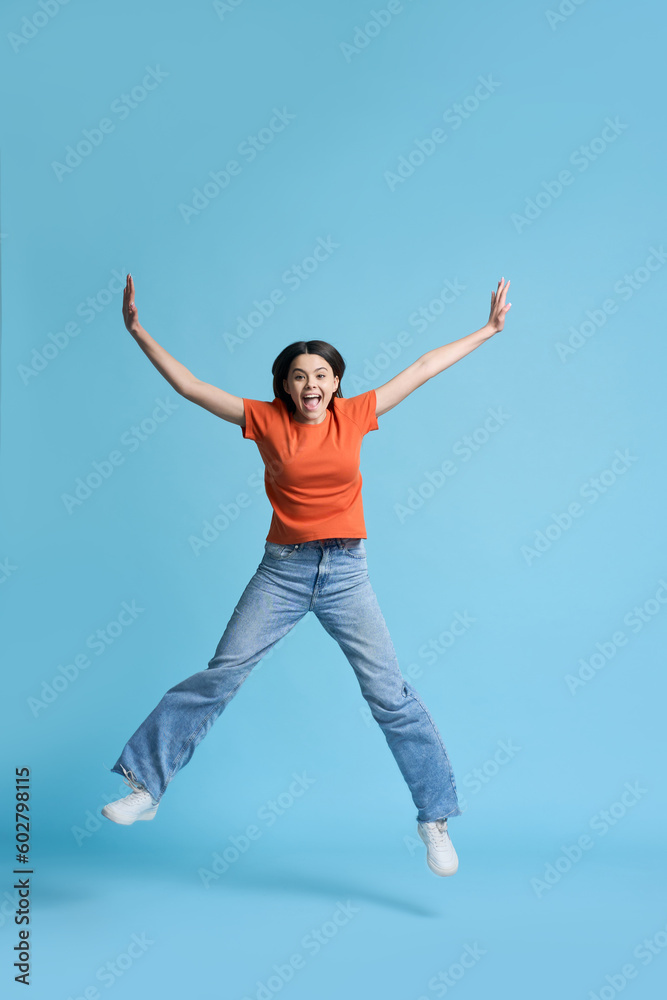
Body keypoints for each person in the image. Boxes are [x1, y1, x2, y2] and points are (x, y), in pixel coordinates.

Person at [101, 273, 511, 877]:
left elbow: (424, 366)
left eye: (321, 374)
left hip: (346, 571)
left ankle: (435, 819)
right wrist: (139, 332)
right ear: (285, 386)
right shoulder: (265, 420)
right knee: (222, 674)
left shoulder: (357, 413)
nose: (311, 384)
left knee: (389, 695)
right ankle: (146, 789)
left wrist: (488, 329)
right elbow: (191, 386)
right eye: (299, 376)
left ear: (336, 381)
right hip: (283, 573)